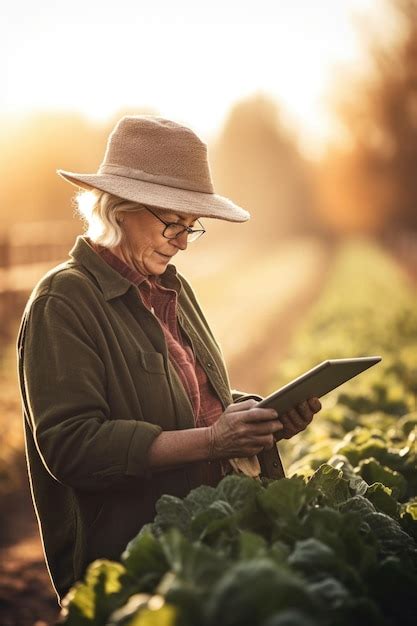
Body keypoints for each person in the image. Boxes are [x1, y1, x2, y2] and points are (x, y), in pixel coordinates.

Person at [16, 115, 322, 605]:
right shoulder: (64, 299)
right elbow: (71, 447)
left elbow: (194, 403)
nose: (182, 241)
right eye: (172, 223)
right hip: (135, 567)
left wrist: (262, 416)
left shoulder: (172, 287)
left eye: (190, 227)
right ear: (118, 208)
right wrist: (212, 440)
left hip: (206, 539)